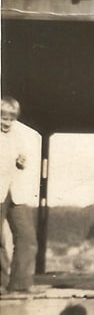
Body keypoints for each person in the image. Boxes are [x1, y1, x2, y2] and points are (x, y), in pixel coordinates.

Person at [0, 96, 41, 294]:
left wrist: (22, 161)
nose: (6, 122)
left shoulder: (19, 134)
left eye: (11, 118)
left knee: (27, 236)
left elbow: (23, 157)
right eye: (2, 117)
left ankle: (21, 283)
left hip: (15, 191)